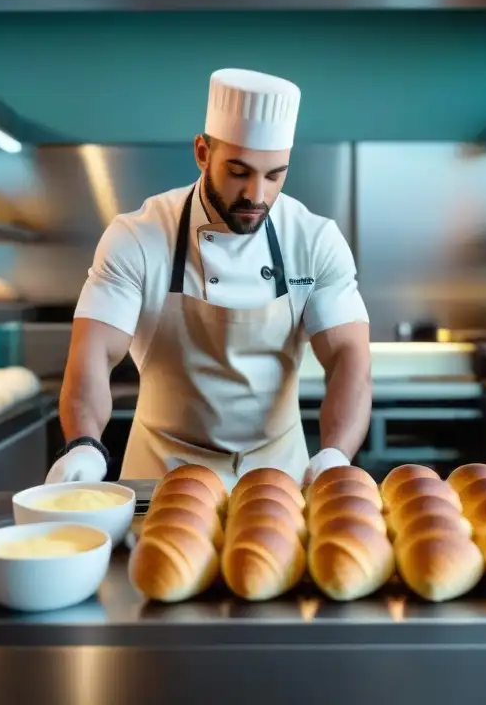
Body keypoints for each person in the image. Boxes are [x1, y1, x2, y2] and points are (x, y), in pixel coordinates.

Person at [49, 68, 371, 489]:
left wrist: (335, 453)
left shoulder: (314, 239)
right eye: (239, 172)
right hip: (161, 473)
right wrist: (84, 444)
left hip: (279, 477)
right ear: (203, 153)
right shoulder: (138, 237)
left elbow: (349, 358)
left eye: (274, 175)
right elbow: (94, 353)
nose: (257, 195)